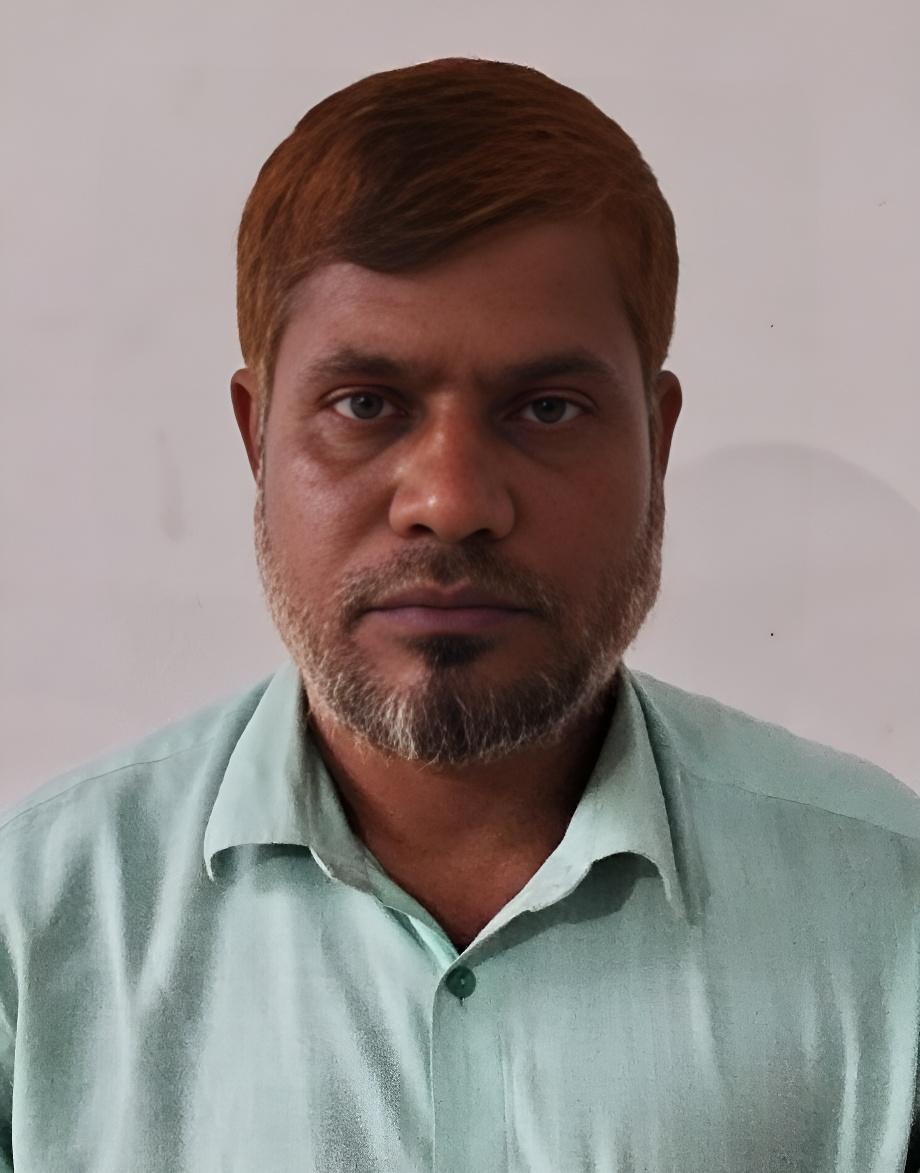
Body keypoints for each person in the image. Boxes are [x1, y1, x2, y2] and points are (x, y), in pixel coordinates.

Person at [0, 56, 917, 1173]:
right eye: (365, 405)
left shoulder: (892, 913)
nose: (450, 500)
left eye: (546, 408)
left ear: (657, 438)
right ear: (255, 437)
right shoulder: (33, 924)